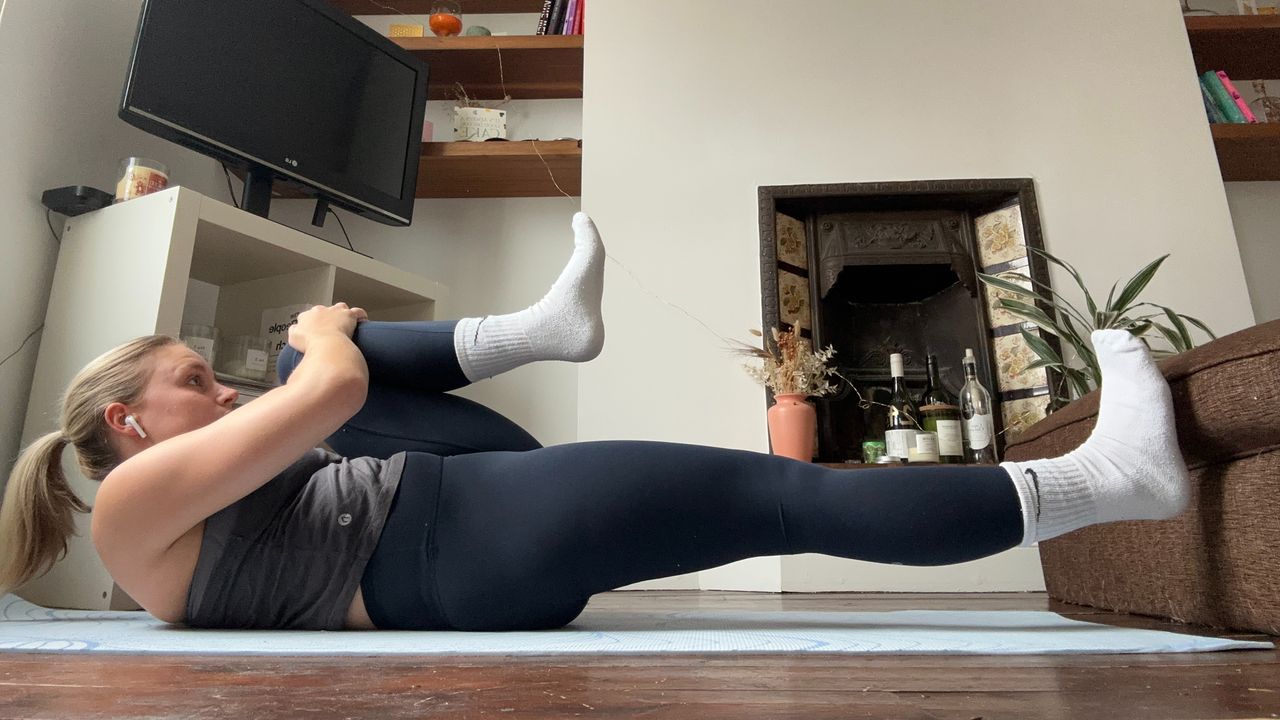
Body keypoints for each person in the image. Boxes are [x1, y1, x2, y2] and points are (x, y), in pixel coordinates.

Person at [0, 214, 1190, 631]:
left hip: (458, 527)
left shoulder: (174, 493)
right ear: (128, 422)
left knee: (316, 356)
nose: (217, 392)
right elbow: (338, 392)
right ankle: (1114, 484)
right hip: (458, 545)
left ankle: (537, 333)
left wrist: (309, 363)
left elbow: (333, 404)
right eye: (191, 385)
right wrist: (315, 345)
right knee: (781, 497)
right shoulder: (134, 513)